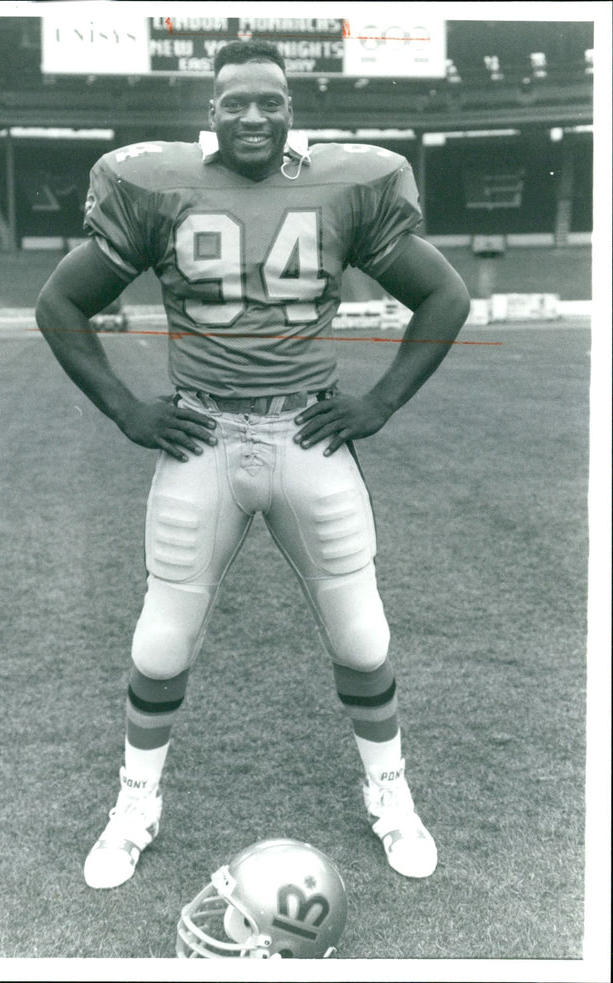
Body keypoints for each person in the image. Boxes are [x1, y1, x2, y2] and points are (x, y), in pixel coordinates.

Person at [35, 39, 470, 891]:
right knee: (161, 642)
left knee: (361, 630)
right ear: (211, 111)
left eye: (269, 100)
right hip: (203, 434)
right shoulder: (158, 186)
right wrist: (127, 409)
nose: (254, 116)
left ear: (290, 107)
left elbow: (444, 294)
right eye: (235, 101)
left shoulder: (343, 184)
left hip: (305, 436)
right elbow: (59, 302)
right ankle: (135, 805)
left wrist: (379, 403)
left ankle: (390, 792)